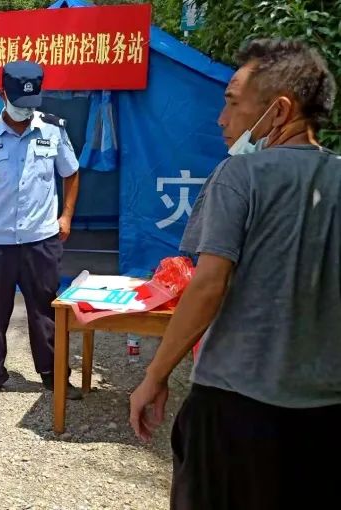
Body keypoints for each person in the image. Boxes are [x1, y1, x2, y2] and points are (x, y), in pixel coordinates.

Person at [129, 38, 341, 510]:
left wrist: (154, 376)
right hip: (326, 411)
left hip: (235, 407)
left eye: (232, 103)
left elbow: (208, 285)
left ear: (279, 110)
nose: (222, 119)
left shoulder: (239, 176)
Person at [0, 60, 83, 401]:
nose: (26, 110)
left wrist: (66, 216)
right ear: (2, 95)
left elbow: (71, 172)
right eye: (19, 102)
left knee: (45, 309)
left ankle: (54, 375)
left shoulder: (53, 130)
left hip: (41, 240)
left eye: (31, 103)